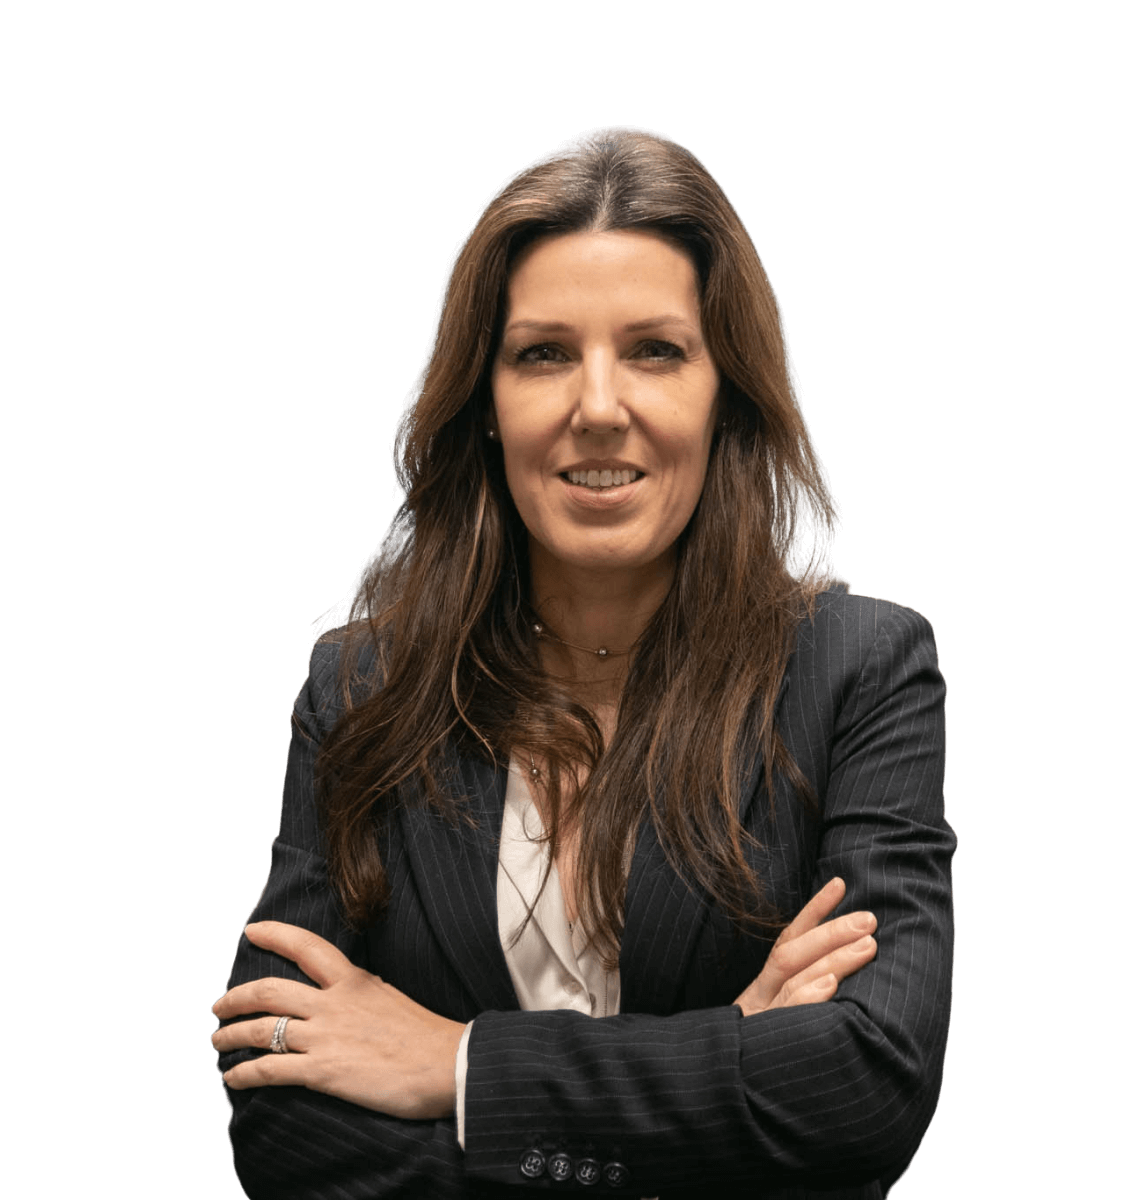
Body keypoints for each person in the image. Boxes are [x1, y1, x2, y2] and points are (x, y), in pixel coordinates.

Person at [211, 126, 954, 1199]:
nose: (599, 408)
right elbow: (278, 1123)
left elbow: (869, 1086)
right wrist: (734, 1051)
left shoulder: (863, 672)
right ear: (485, 404)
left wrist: (459, 1066)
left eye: (655, 350)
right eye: (543, 353)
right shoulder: (360, 694)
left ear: (727, 394)